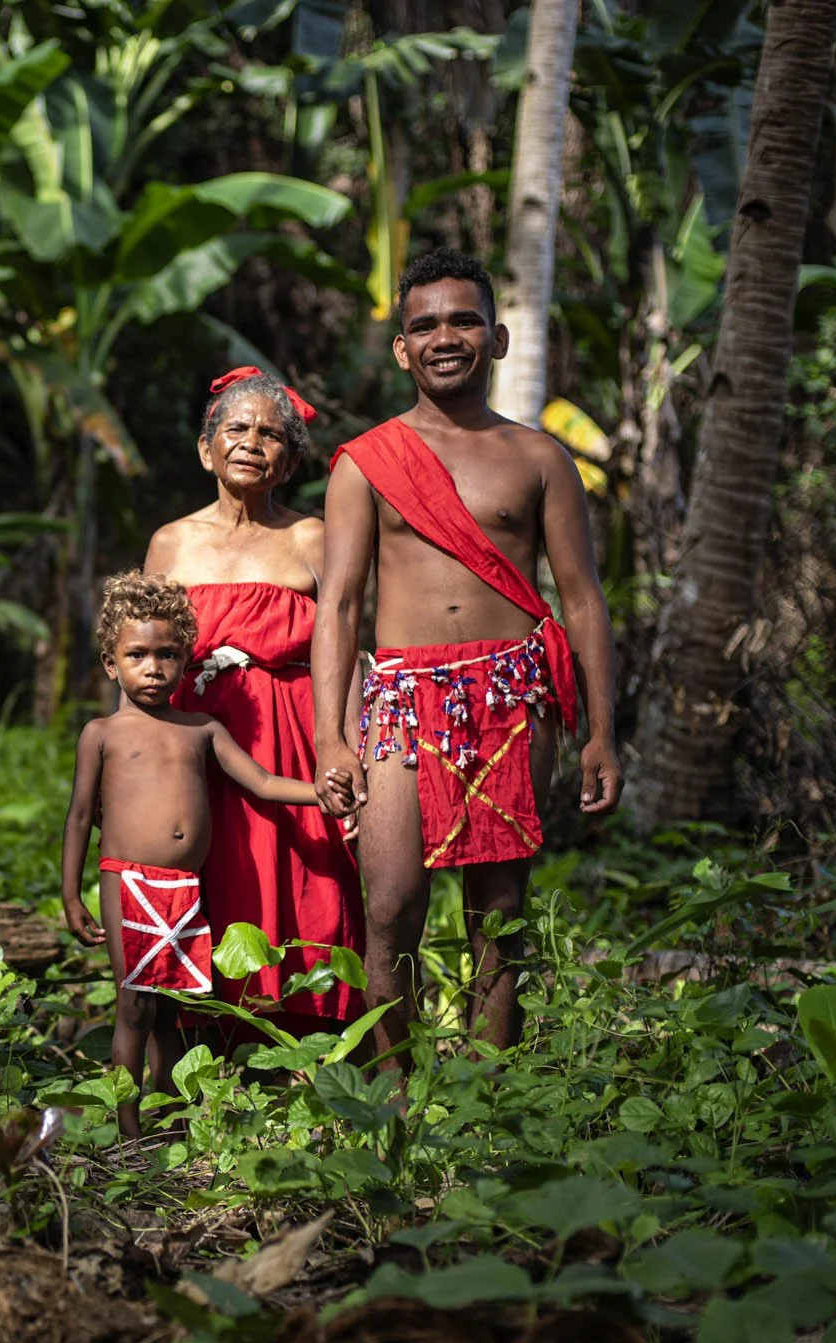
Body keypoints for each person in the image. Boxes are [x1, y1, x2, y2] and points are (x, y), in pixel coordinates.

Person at [312, 246, 623, 1068]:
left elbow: (583, 598)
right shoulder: (365, 462)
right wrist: (330, 738)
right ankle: (393, 1099)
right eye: (424, 324)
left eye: (463, 319)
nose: (444, 336)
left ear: (498, 337)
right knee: (392, 905)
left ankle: (491, 1102)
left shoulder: (540, 458)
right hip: (402, 699)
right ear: (401, 348)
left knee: (499, 910)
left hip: (512, 694)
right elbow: (339, 605)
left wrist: (601, 732)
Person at [61, 572, 347, 1139]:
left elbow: (263, 782)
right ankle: (127, 1129)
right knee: (135, 1006)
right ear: (110, 663)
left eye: (167, 654)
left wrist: (319, 793)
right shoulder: (103, 733)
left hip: (185, 886)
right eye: (136, 654)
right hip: (128, 880)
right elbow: (77, 816)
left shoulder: (202, 729)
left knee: (173, 1009)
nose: (153, 667)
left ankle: (169, 1116)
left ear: (187, 660)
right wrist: (70, 893)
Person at [143, 368, 366, 1037]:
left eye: (270, 433)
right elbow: (138, 654)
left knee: (309, 889)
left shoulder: (312, 537)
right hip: (195, 751)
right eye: (236, 428)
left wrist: (352, 753)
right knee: (207, 882)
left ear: (290, 460)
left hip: (294, 743)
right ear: (206, 449)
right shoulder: (170, 542)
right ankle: (204, 1056)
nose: (251, 442)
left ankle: (314, 1057)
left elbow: (349, 649)